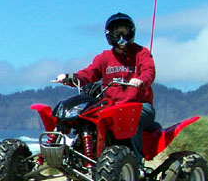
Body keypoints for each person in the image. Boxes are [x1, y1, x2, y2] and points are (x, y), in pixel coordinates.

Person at [56, 12, 156, 164]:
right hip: (111, 108)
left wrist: (141, 80)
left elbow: (149, 71)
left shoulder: (142, 53)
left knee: (131, 117)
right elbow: (89, 73)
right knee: (87, 117)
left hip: (140, 106)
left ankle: (136, 162)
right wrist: (71, 78)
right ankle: (87, 157)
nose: (121, 35)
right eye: (117, 32)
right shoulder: (104, 57)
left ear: (131, 31)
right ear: (110, 34)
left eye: (124, 31)